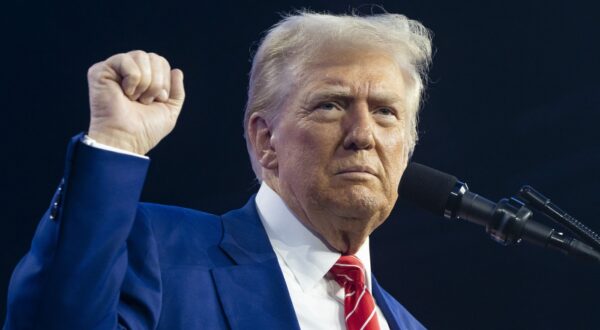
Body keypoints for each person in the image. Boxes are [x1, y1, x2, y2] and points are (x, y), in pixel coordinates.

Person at [4, 11, 431, 330]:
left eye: (385, 112)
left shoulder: (407, 325)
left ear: (407, 148)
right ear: (265, 140)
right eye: (330, 105)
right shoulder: (155, 248)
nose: (362, 134)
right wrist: (115, 143)